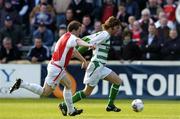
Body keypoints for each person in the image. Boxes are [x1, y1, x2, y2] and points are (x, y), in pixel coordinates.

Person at [9, 21, 95, 116]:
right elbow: (78, 41)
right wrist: (89, 45)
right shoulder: (71, 37)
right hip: (57, 69)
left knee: (68, 85)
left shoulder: (65, 37)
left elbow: (74, 52)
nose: (80, 33)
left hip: (56, 67)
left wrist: (83, 60)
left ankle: (71, 110)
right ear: (74, 30)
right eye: (79, 30)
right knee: (45, 92)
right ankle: (22, 84)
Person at [59, 16, 123, 116]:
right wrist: (76, 53)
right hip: (96, 66)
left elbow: (86, 38)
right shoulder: (105, 34)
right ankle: (64, 104)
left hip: (101, 66)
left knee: (118, 81)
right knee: (86, 92)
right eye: (117, 28)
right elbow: (88, 42)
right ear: (113, 27)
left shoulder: (104, 34)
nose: (118, 30)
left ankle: (110, 105)